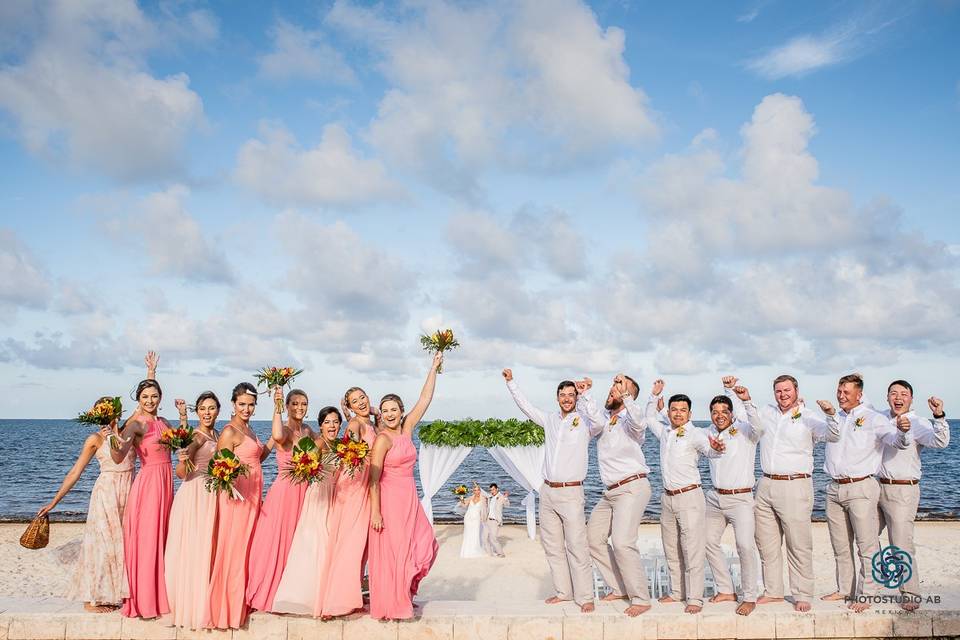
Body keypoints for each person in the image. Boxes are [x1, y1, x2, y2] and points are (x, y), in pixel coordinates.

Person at [503, 368, 597, 613]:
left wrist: (586, 395)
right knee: (553, 546)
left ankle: (585, 596)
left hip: (572, 493)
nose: (567, 398)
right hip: (548, 491)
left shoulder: (585, 421)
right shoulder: (549, 419)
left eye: (571, 395)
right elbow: (526, 406)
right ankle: (564, 592)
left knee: (577, 546)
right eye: (563, 395)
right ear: (557, 398)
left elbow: (599, 422)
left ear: (576, 398)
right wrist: (511, 382)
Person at [743, 374, 838, 613]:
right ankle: (773, 591)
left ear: (796, 390)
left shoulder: (809, 417)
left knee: (799, 544)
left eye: (787, 390)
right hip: (765, 484)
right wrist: (742, 398)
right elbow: (749, 420)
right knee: (767, 544)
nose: (783, 395)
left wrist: (830, 414)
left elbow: (833, 435)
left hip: (795, 484)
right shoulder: (767, 412)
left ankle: (802, 593)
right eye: (778, 391)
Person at [817, 373, 911, 612]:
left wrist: (902, 431)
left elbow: (897, 442)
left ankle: (868, 593)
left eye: (846, 392)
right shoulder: (834, 417)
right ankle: (844, 589)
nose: (841, 396)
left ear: (859, 395)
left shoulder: (873, 418)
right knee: (840, 544)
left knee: (866, 545)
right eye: (839, 391)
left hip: (861, 487)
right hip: (833, 487)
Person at [37, 397, 135, 612]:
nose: (112, 416)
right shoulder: (95, 439)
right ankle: (92, 599)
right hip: (106, 494)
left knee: (123, 545)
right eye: (107, 412)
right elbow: (75, 472)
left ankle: (114, 593)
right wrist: (54, 502)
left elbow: (145, 406)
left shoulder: (128, 432)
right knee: (102, 545)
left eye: (114, 412)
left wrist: (151, 371)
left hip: (130, 491)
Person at [367, 352, 443, 620]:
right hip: (389, 500)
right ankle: (396, 603)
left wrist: (433, 368)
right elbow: (373, 479)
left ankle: (404, 594)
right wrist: (376, 513)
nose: (390, 414)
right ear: (382, 414)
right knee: (395, 551)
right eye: (385, 410)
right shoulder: (382, 440)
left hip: (409, 496)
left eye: (394, 409)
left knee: (425, 544)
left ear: (401, 411)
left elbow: (425, 399)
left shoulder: (407, 429)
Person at [581, 374, 659, 617]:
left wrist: (625, 392)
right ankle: (619, 588)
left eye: (618, 389)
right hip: (610, 492)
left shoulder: (632, 421)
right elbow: (592, 416)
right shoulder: (606, 419)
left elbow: (640, 422)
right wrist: (584, 392)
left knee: (623, 542)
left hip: (632, 487)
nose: (612, 391)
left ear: (628, 396)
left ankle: (641, 598)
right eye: (612, 388)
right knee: (593, 539)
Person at [644, 381, 725, 614]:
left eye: (682, 410)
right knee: (671, 548)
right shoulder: (665, 432)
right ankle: (676, 592)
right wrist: (653, 395)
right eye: (674, 409)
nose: (677, 413)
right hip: (667, 498)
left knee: (692, 549)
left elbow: (710, 451)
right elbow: (650, 418)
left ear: (689, 413)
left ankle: (695, 598)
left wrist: (717, 449)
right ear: (668, 412)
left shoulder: (696, 434)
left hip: (690, 497)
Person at [876, 382, 949, 610]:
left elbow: (940, 441)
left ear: (911, 399)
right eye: (894, 393)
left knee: (900, 543)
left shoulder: (918, 423)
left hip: (903, 489)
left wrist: (938, 415)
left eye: (903, 394)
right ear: (887, 397)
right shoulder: (879, 418)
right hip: (875, 486)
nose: (898, 397)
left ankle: (910, 592)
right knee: (864, 537)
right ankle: (870, 584)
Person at [110, 378, 178, 619]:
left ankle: (161, 597)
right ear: (138, 400)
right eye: (145, 397)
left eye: (154, 396)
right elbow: (118, 457)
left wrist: (183, 419)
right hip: (148, 484)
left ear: (160, 397)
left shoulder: (165, 422)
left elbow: (181, 446)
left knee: (163, 538)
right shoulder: (136, 424)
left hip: (166, 482)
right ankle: (145, 601)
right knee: (148, 541)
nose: (150, 400)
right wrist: (113, 434)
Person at [246, 387, 313, 612]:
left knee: (299, 541)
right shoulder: (283, 430)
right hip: (286, 491)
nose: (299, 407)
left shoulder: (308, 431)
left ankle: (294, 590)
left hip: (305, 490)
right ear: (287, 406)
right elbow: (275, 437)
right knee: (280, 540)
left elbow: (324, 448)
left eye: (303, 403)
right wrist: (275, 406)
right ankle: (271, 592)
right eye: (294, 403)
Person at [272, 407, 342, 616]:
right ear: (320, 426)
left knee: (330, 545)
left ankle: (328, 595)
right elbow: (301, 468)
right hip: (319, 495)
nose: (332, 426)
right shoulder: (318, 444)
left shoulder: (339, 445)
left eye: (335, 422)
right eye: (327, 422)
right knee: (316, 543)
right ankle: (311, 598)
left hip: (335, 496)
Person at [207, 383, 264, 629]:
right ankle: (225, 610)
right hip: (236, 497)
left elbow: (256, 458)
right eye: (242, 404)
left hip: (253, 492)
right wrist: (232, 486)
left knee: (249, 547)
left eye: (250, 404)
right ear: (233, 404)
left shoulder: (249, 429)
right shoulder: (229, 432)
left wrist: (272, 441)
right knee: (233, 548)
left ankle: (242, 600)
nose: (247, 408)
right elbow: (219, 469)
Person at [702, 383, 762, 616]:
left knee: (745, 546)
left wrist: (746, 400)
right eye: (715, 412)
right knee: (707, 541)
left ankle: (749, 596)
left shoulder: (747, 430)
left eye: (724, 412)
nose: (719, 416)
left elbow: (759, 427)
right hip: (715, 498)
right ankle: (726, 589)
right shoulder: (708, 431)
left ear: (732, 413)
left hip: (741, 499)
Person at [319, 386, 379, 617]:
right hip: (354, 484)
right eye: (355, 401)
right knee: (350, 541)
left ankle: (349, 593)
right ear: (350, 406)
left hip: (363, 484)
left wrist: (371, 410)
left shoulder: (367, 422)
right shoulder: (355, 424)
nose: (361, 402)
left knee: (357, 542)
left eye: (362, 397)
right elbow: (350, 447)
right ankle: (338, 600)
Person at [164, 391, 220, 629]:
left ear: (218, 410)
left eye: (211, 408)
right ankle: (193, 605)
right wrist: (183, 459)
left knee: (210, 547)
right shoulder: (196, 437)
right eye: (203, 409)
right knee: (195, 548)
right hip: (196, 492)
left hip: (213, 492)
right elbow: (182, 474)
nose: (207, 413)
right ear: (197, 411)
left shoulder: (217, 433)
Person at [458, 484, 488, 558]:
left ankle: (475, 549)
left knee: (475, 533)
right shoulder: (470, 498)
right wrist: (461, 498)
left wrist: (484, 518)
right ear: (473, 491)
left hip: (476, 519)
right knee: (468, 533)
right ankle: (467, 550)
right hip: (468, 518)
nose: (476, 491)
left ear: (480, 491)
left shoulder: (483, 498)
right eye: (475, 490)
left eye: (478, 490)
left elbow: (485, 507)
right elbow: (464, 505)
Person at [482, 483, 510, 557]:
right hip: (487, 520)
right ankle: (490, 553)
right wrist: (476, 486)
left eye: (493, 489)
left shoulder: (501, 497)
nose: (492, 491)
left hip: (495, 521)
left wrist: (506, 497)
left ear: (497, 489)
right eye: (491, 490)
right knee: (484, 538)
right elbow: (483, 492)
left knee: (493, 538)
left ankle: (501, 553)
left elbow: (507, 505)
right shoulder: (490, 497)